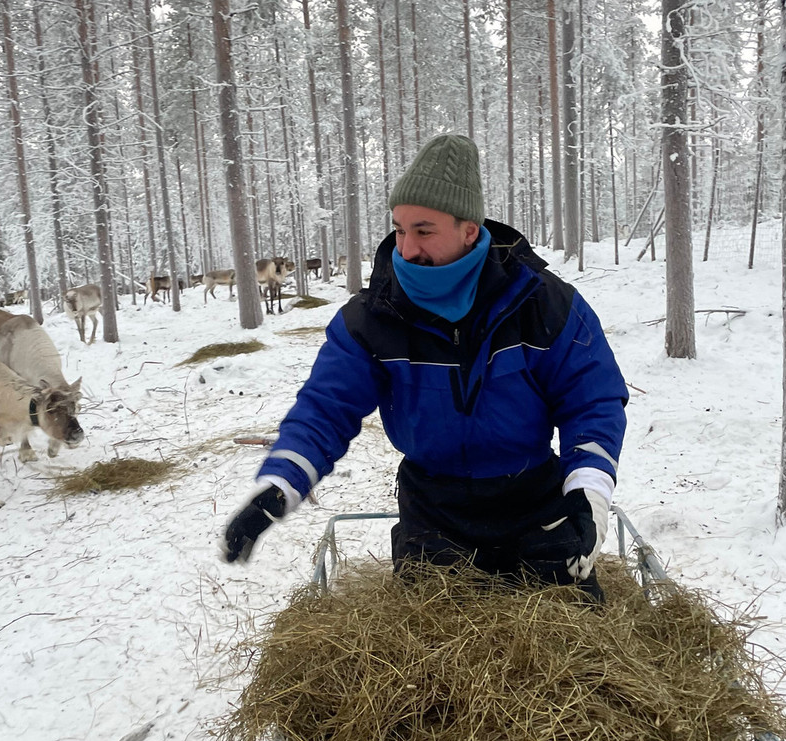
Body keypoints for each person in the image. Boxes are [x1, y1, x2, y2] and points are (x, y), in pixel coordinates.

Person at [221, 134, 628, 600]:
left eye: (424, 230)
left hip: (536, 505)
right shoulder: (373, 317)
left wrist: (587, 500)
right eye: (400, 228)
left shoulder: (545, 304)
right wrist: (279, 486)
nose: (407, 247)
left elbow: (592, 402)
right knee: (428, 662)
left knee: (574, 654)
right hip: (434, 512)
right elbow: (325, 408)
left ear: (469, 230)